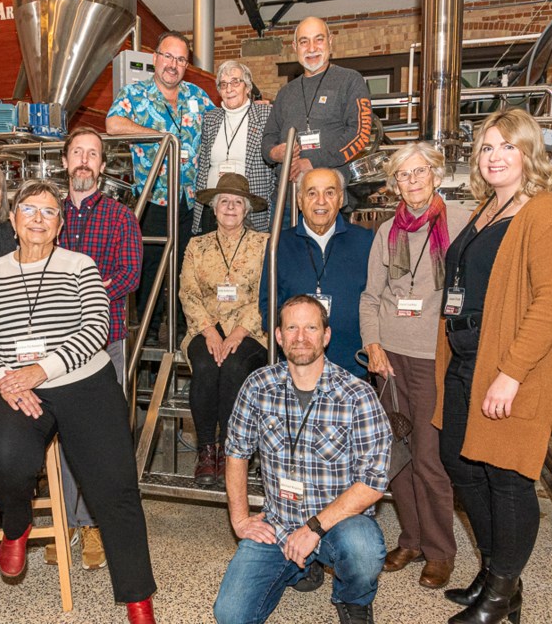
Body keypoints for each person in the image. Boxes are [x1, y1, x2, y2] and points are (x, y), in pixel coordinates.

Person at [0, 180, 158, 624]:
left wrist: (41, 370)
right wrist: (4, 377)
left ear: (60, 224)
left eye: (48, 212)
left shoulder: (80, 265)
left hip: (81, 380)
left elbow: (95, 328)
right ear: (13, 220)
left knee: (115, 484)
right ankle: (17, 521)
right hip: (9, 381)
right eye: (28, 210)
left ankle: (138, 598)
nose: (37, 218)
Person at [434, 108, 552, 624]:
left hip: (518, 364)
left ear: (529, 153)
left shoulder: (546, 213)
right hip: (468, 357)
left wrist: (512, 372)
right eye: (487, 147)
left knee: (507, 476)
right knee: (460, 462)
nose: (494, 156)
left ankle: (501, 595)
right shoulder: (485, 210)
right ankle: (495, 570)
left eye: (508, 147)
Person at [213, 295, 391, 624]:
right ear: (278, 336)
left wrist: (313, 529)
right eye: (291, 327)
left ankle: (353, 598)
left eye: (311, 327)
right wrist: (239, 519)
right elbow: (236, 451)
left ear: (326, 335)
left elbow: (374, 482)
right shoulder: (258, 386)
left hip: (338, 525)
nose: (300, 336)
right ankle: (301, 568)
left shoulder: (357, 395)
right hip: (279, 523)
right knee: (230, 615)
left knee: (364, 548)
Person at [358, 142, 471, 589]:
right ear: (394, 183)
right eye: (403, 175)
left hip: (432, 357)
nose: (412, 181)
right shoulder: (386, 232)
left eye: (419, 171)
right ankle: (410, 537)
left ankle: (441, 551)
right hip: (388, 358)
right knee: (396, 454)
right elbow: (371, 296)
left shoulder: (461, 225)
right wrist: (372, 343)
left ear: (436, 174)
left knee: (428, 457)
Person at [44, 127, 143, 571]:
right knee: (60, 438)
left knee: (101, 441)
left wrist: (82, 296)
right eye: (77, 153)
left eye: (93, 155)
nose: (85, 161)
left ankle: (94, 524)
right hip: (52, 350)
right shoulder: (48, 214)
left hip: (106, 345)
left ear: (103, 166)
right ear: (65, 162)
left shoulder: (122, 217)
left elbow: (128, 276)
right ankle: (63, 520)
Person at [106, 30, 215, 342]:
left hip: (191, 200)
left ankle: (182, 331)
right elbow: (113, 125)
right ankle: (148, 332)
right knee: (150, 266)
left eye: (181, 59)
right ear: (155, 59)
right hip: (153, 198)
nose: (173, 64)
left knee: (187, 268)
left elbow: (221, 123)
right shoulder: (134, 94)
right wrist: (160, 137)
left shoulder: (197, 97)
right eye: (168, 56)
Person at [179, 173, 269, 487]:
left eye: (237, 203)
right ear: (215, 209)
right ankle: (207, 450)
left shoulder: (264, 243)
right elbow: (187, 293)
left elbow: (266, 293)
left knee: (233, 365)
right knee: (205, 364)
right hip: (205, 328)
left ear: (246, 209)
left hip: (252, 330)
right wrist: (209, 330)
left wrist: (238, 332)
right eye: (224, 202)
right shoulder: (196, 245)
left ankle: (232, 451)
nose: (230, 207)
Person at [259, 167, 373, 379]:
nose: (321, 201)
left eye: (329, 193)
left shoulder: (365, 242)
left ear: (340, 199)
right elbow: (268, 305)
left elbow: (376, 300)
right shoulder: (278, 244)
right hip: (296, 368)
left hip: (353, 368)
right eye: (312, 193)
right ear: (300, 201)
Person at [262, 16, 373, 187]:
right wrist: (274, 153)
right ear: (295, 47)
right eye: (304, 42)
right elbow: (268, 137)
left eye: (319, 40)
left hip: (328, 190)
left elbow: (360, 134)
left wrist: (312, 162)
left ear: (330, 41)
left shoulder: (350, 80)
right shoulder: (285, 93)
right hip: (286, 192)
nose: (312, 48)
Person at [192, 60, 276, 235]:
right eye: (223, 84)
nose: (229, 89)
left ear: (247, 87)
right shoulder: (210, 119)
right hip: (213, 206)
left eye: (235, 82)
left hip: (250, 209)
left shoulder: (265, 115)